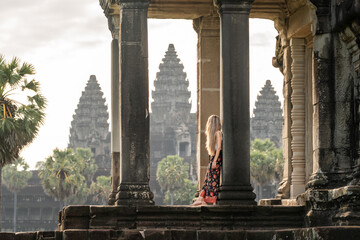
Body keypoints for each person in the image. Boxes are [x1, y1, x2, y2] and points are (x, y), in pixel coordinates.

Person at [191, 115, 222, 206]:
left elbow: (219, 148)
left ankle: (210, 199)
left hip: (217, 157)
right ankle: (201, 198)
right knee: (207, 178)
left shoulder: (218, 133)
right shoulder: (215, 134)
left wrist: (215, 160)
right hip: (213, 157)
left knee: (213, 179)